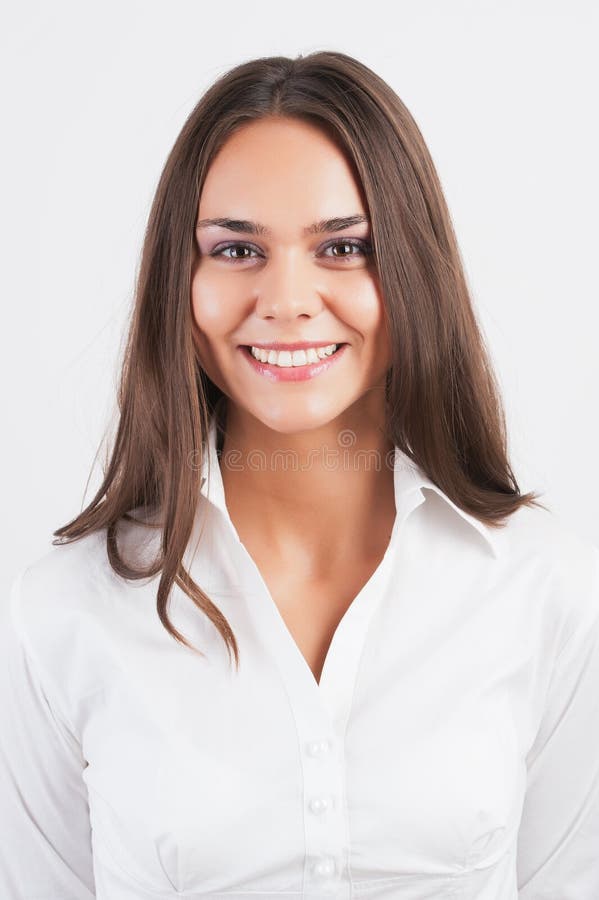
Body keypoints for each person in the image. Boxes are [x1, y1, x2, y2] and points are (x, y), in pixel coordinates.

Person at [1, 50, 598, 900]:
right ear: (183, 278)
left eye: (344, 247)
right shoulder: (63, 613)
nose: (286, 299)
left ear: (413, 270)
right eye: (237, 248)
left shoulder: (547, 588)